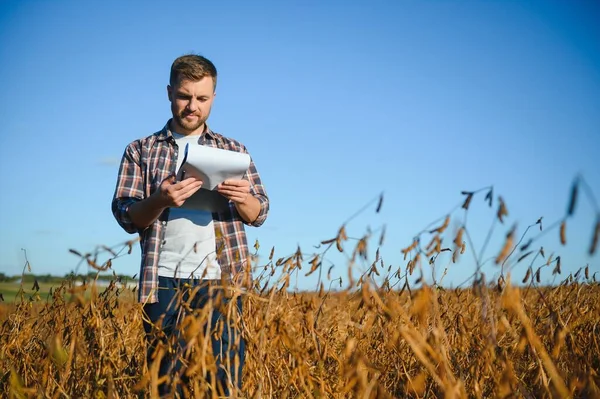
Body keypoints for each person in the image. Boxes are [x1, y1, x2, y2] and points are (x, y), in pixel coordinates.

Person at [111, 54, 269, 397]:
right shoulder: (141, 150)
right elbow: (125, 215)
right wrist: (161, 199)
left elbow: (260, 212)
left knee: (225, 382)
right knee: (166, 384)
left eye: (201, 98)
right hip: (163, 279)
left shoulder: (234, 150)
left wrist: (242, 198)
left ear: (214, 97)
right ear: (169, 93)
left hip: (224, 282)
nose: (192, 106)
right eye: (184, 96)